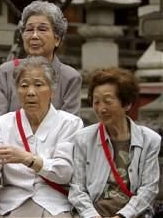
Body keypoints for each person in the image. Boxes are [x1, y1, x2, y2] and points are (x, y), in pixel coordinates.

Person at [0, 56, 83, 217]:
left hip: (53, 203)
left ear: (52, 91)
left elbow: (64, 171)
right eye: (24, 86)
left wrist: (28, 159)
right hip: (13, 201)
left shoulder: (70, 124)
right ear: (17, 90)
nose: (30, 92)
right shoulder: (2, 123)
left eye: (38, 85)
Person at [69, 68, 161, 218]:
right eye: (96, 102)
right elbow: (77, 188)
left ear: (126, 104)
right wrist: (91, 215)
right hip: (95, 212)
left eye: (108, 101)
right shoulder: (84, 138)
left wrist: (122, 216)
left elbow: (148, 189)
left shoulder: (150, 140)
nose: (101, 108)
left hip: (133, 214)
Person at [0, 0, 81, 119]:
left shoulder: (70, 77)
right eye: (29, 30)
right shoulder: (7, 71)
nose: (34, 36)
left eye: (42, 29)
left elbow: (71, 127)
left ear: (57, 39)